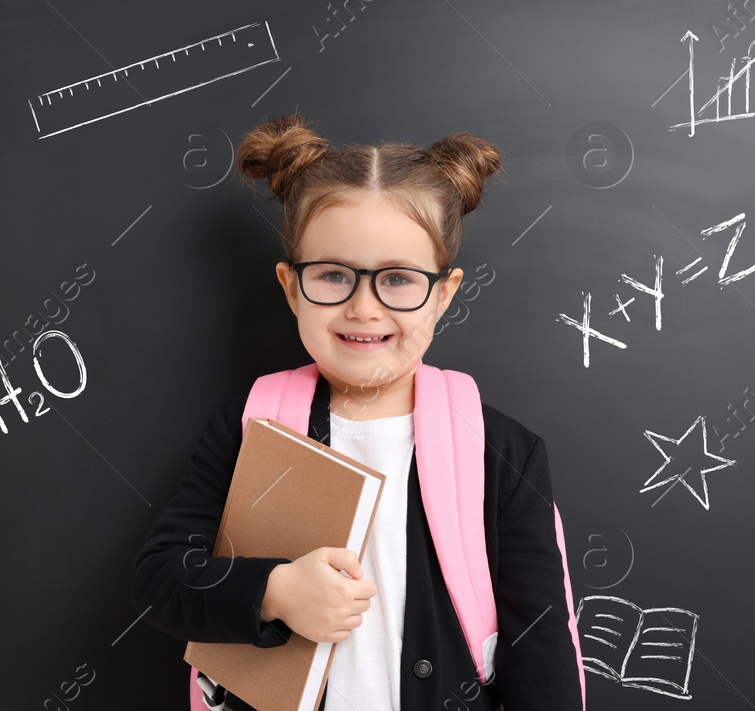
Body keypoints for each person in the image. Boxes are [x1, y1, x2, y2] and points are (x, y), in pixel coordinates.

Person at [131, 114, 585, 711]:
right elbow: (161, 580)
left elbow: (543, 647)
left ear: (443, 295)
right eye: (333, 276)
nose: (363, 308)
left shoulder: (501, 450)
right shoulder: (247, 425)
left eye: (397, 279)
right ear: (292, 288)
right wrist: (273, 592)